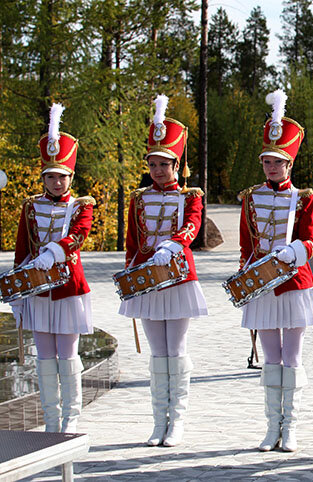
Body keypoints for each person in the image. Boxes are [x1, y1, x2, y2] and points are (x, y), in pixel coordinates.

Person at [119, 95, 208, 447]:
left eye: (164, 164)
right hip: (146, 280)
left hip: (178, 277)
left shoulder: (191, 195)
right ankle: (159, 420)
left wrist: (175, 243)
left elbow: (193, 225)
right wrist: (131, 277)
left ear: (177, 165)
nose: (157, 170)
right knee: (158, 353)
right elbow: (131, 241)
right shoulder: (138, 198)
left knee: (177, 348)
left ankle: (178, 420)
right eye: (153, 164)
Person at [238, 90, 313, 453]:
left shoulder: (303, 197)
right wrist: (247, 279)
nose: (272, 167)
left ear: (290, 165)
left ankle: (294, 426)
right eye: (267, 162)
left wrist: (296, 250)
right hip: (262, 285)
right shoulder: (250, 197)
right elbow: (245, 244)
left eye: (279, 162)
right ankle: (273, 427)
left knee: (293, 356)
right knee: (271, 358)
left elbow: (311, 240)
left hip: (294, 283)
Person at [11, 103, 95, 433]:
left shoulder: (82, 205)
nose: (56, 182)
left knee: (67, 354)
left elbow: (78, 237)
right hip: (36, 290)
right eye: (50, 176)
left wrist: (52, 251)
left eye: (61, 177)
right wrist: (18, 290)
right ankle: (50, 419)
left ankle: (71, 417)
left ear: (70, 177)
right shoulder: (30, 206)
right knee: (44, 357)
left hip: (68, 288)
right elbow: (21, 248)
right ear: (43, 177)